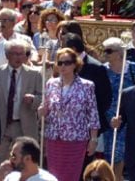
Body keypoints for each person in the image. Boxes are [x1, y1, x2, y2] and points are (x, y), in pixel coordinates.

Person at [40, 48, 100, 181]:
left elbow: (93, 114)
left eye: (67, 62)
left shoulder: (87, 86)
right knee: (53, 176)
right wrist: (42, 111)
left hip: (76, 139)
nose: (63, 66)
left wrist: (93, 139)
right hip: (54, 138)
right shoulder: (51, 84)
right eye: (60, 63)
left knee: (71, 175)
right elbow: (47, 108)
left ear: (74, 64)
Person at [0, 39, 43, 170]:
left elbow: (43, 97)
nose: (18, 57)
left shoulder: (35, 74)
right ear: (7, 55)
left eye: (21, 54)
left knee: (24, 163)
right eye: (14, 54)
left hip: (23, 125)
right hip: (2, 125)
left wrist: (34, 99)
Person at [101, 37, 135, 179]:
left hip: (130, 119)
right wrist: (109, 119)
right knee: (112, 156)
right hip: (111, 119)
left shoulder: (134, 68)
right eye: (104, 51)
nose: (105, 54)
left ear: (119, 53)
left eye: (109, 51)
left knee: (125, 156)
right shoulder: (103, 70)